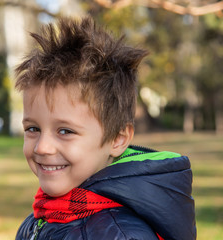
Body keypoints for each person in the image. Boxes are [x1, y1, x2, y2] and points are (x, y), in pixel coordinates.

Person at [14, 16, 196, 240]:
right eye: (33, 128)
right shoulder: (46, 215)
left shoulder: (119, 234)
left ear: (118, 139)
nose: (42, 147)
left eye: (65, 131)